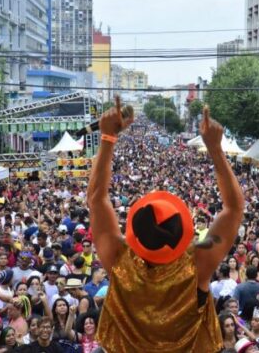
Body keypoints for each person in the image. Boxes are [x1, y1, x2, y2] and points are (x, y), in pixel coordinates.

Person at [88, 100, 244, 352]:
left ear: (134, 233)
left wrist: (108, 136)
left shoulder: (118, 258)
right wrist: (215, 148)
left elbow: (96, 199)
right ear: (183, 232)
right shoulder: (197, 263)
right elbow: (234, 209)